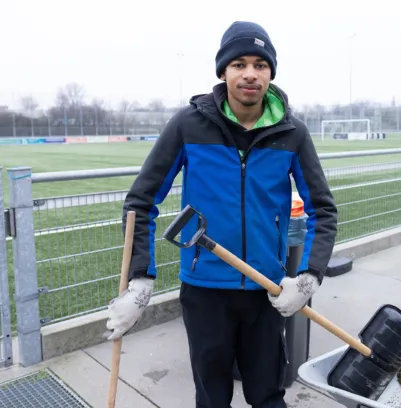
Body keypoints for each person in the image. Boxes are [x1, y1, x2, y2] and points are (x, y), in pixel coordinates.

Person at [103, 21, 338, 408]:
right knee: (211, 399)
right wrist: (139, 282)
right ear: (223, 71)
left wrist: (309, 277)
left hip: (267, 289)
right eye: (239, 64)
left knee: (268, 395)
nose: (250, 73)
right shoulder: (189, 125)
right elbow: (140, 202)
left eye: (260, 65)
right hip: (204, 291)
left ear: (270, 73)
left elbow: (323, 211)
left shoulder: (292, 133)